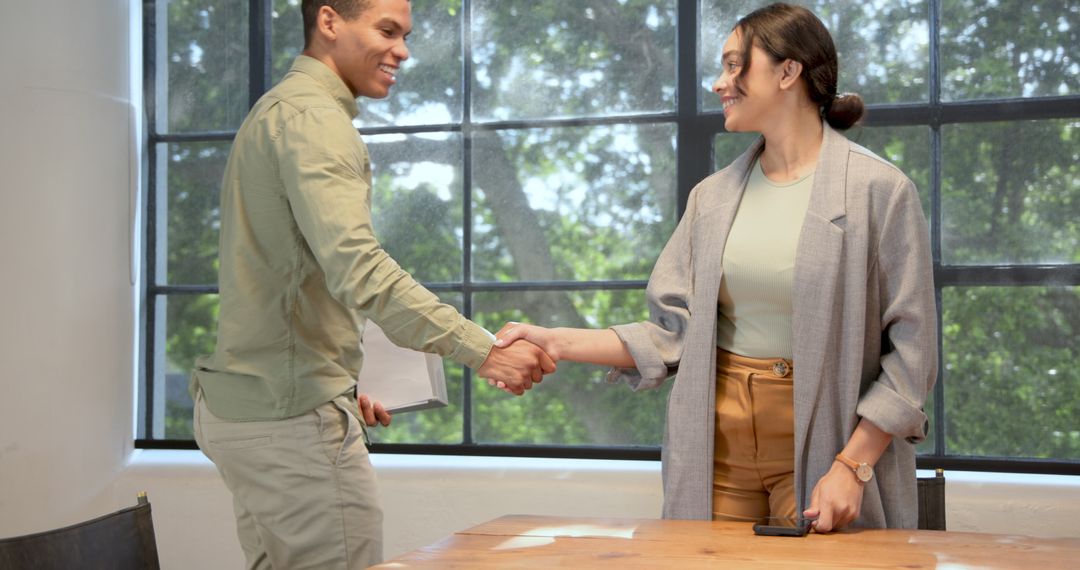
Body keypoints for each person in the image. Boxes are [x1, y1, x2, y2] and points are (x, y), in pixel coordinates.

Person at [495, 2, 936, 533]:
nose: (719, 83)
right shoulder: (712, 198)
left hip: (830, 443)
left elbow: (913, 353)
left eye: (733, 65)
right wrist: (554, 341)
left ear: (788, 71)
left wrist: (852, 465)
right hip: (716, 445)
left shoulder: (879, 191)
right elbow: (673, 335)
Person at [189, 1, 555, 567]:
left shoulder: (279, 111)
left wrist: (339, 379)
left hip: (249, 407)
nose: (402, 51)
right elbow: (358, 267)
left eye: (405, 35)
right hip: (290, 420)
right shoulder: (314, 120)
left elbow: (290, 276)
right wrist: (485, 351)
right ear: (329, 22)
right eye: (387, 31)